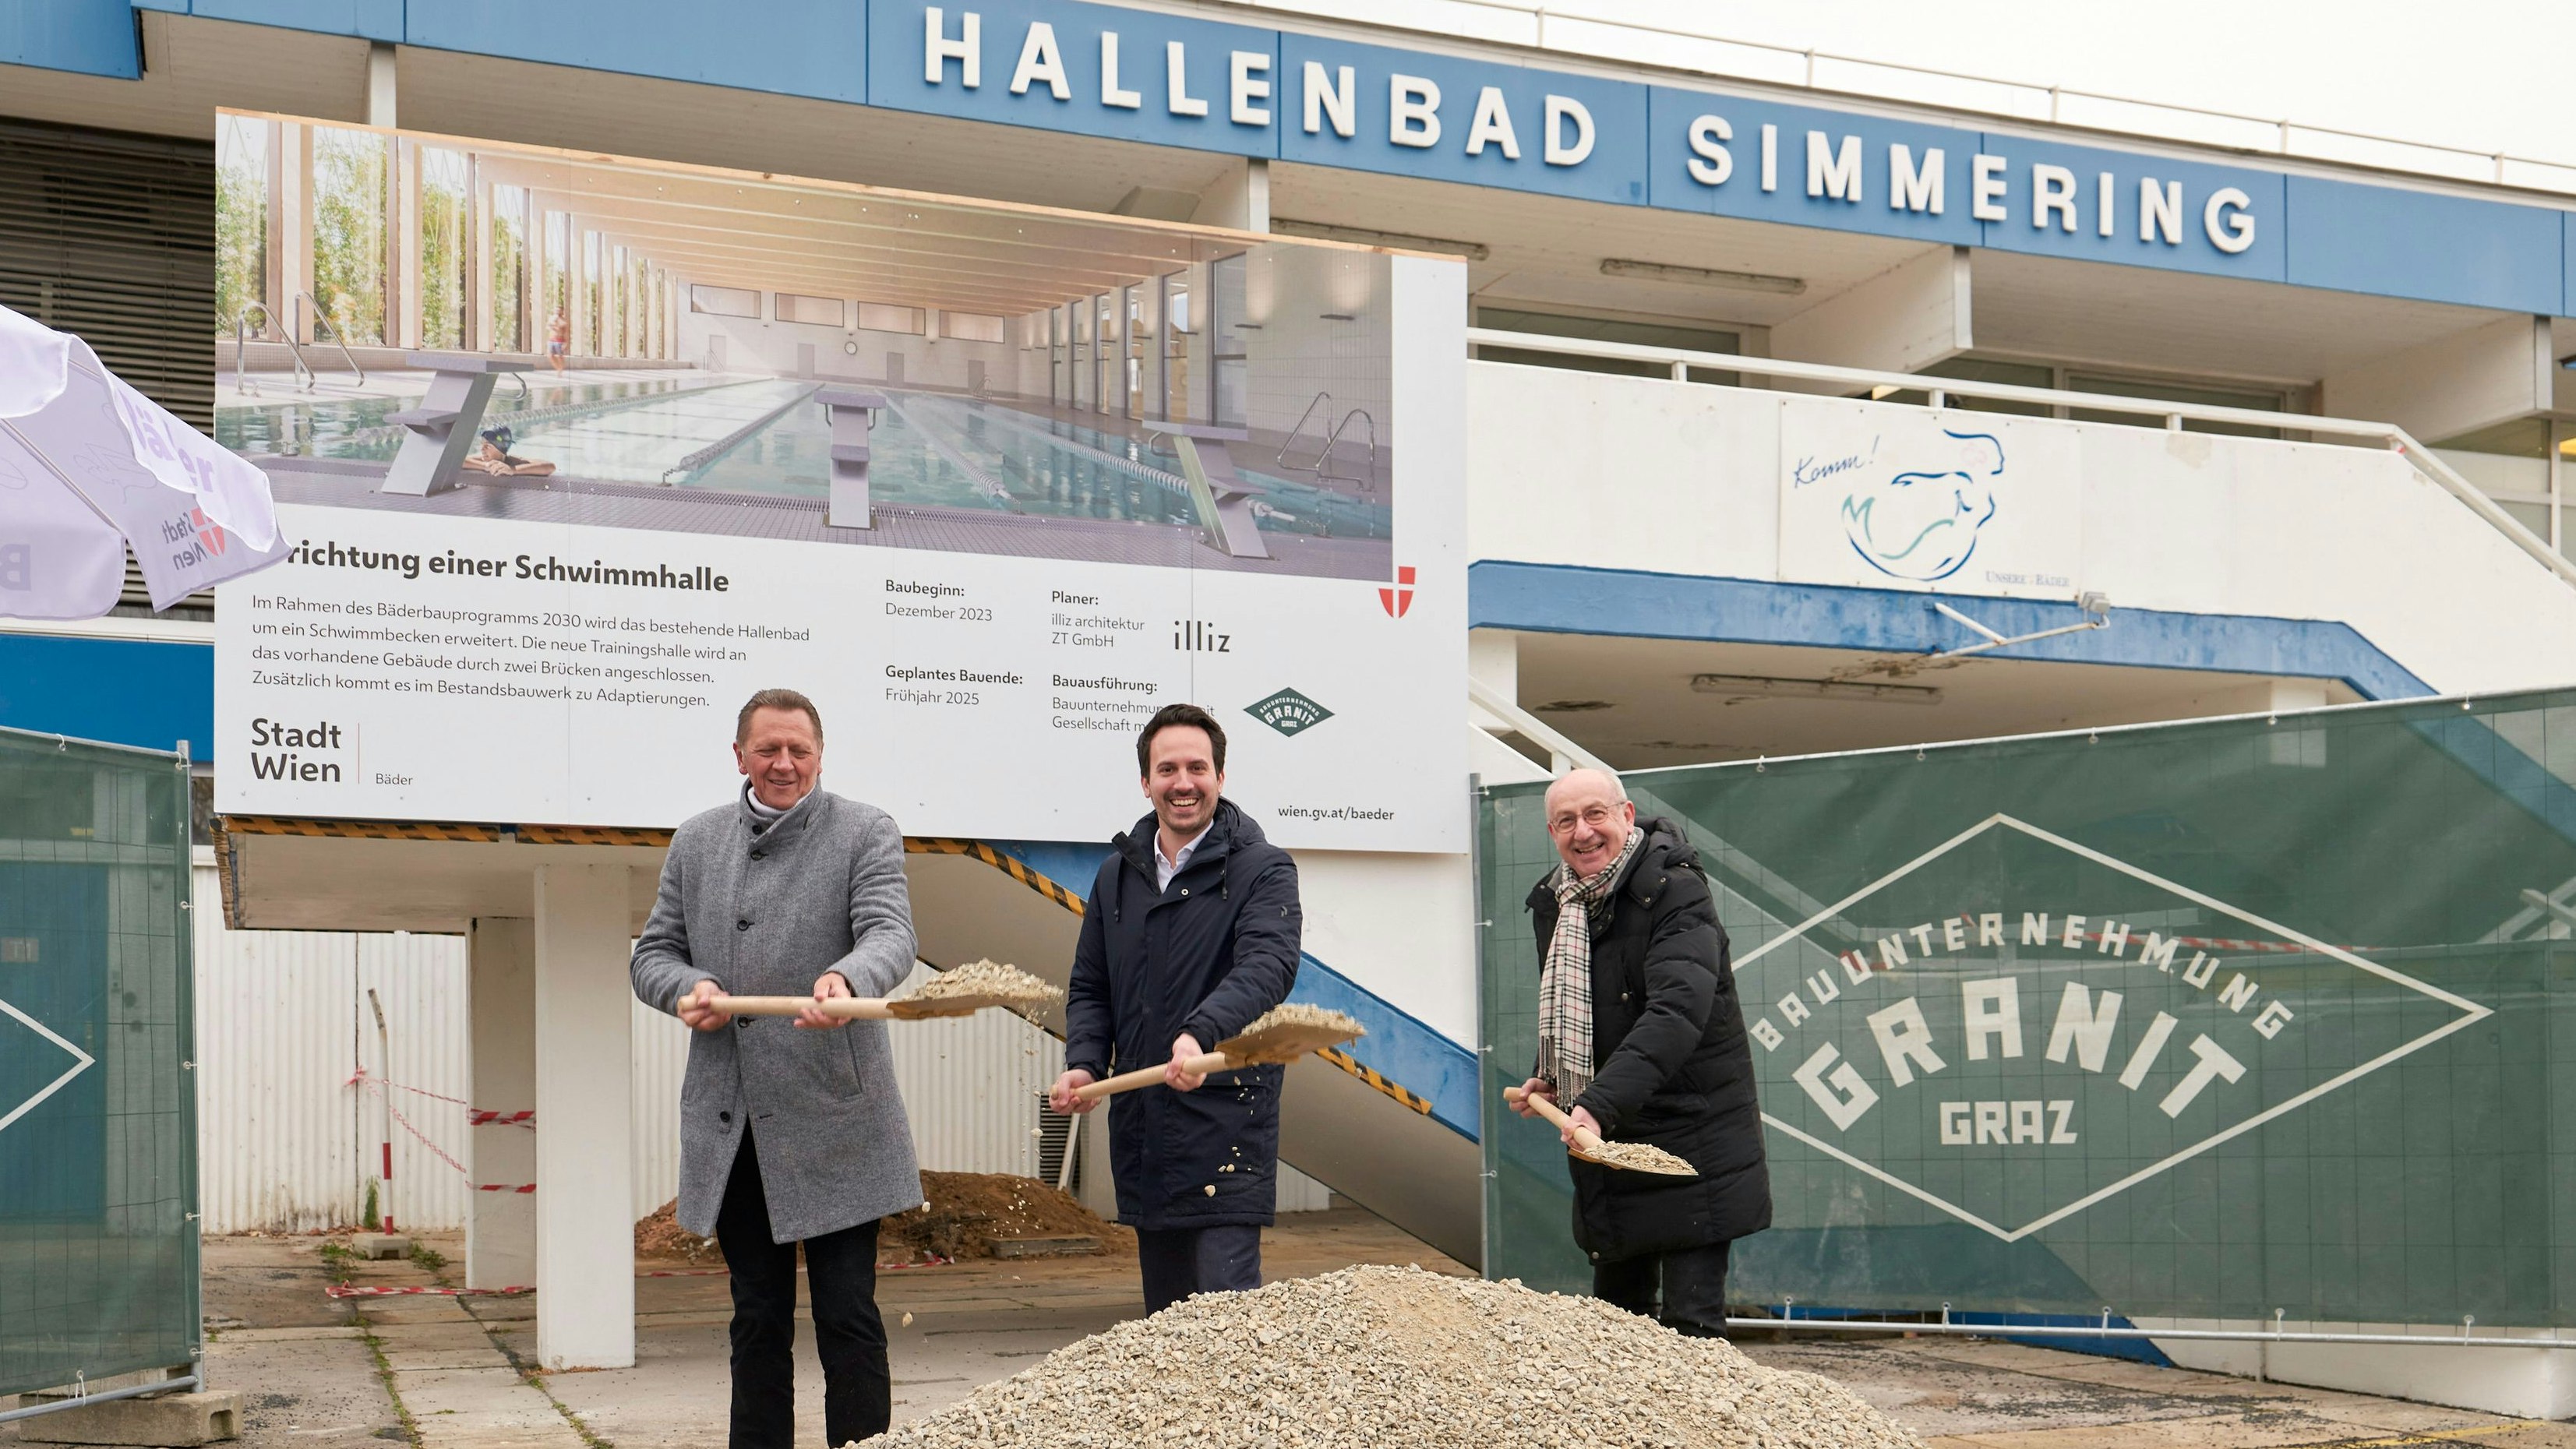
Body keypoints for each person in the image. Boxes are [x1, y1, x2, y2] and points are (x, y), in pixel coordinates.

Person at [630, 689, 919, 1448]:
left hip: (839, 1124)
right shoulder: (695, 841)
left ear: (819, 755)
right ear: (740, 756)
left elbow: (890, 933)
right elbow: (652, 953)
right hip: (738, 1127)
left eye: (798, 750)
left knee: (847, 1315)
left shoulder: (866, 831)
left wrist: (848, 981)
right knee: (756, 1319)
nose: (784, 764)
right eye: (768, 750)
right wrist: (684, 988)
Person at [1047, 703, 1301, 1313]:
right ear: (1145, 782)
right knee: (1164, 1325)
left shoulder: (1262, 869)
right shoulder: (1116, 876)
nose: (1182, 783)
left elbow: (1268, 967)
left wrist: (1199, 1035)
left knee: (1223, 1323)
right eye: (1167, 769)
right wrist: (1084, 1063)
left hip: (1224, 1121)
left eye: (1197, 768)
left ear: (1219, 776)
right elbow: (1090, 987)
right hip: (1143, 1126)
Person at [1509, 767, 1769, 1338]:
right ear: (1552, 832)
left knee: (1689, 1333)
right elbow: (1579, 1010)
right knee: (1616, 1335)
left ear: (1627, 816)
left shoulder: (1677, 891)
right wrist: (1550, 1076)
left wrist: (1597, 1104)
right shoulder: (1559, 903)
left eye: (1596, 814)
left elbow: (1676, 1014)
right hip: (1610, 1141)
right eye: (1566, 821)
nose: (1583, 833)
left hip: (1690, 1136)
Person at [547, 306, 570, 374]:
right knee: (550, 356)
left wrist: (566, 343)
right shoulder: (551, 318)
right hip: (551, 340)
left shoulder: (564, 321)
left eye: (559, 311)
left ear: (562, 312)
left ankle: (560, 369)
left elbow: (566, 332)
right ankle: (558, 368)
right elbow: (547, 327)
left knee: (560, 356)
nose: (557, 312)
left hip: (559, 340)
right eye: (556, 310)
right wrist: (552, 325)